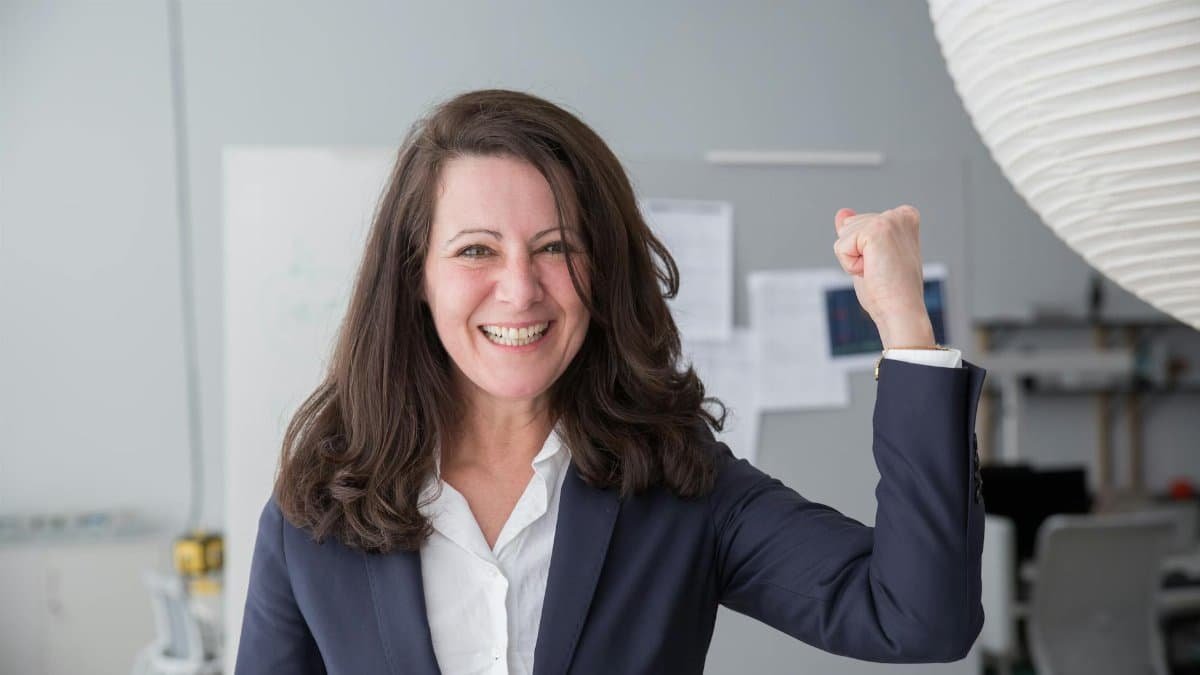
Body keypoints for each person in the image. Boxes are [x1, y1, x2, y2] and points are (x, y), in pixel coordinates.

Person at [234, 88, 987, 674]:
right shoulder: (317, 513)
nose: (521, 289)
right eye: (475, 250)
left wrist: (903, 325)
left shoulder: (682, 488)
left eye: (556, 246)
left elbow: (919, 616)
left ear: (602, 268)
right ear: (416, 278)